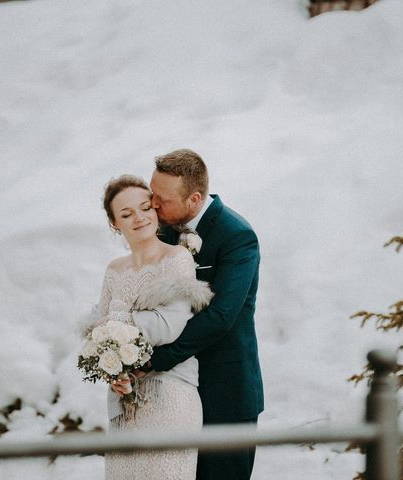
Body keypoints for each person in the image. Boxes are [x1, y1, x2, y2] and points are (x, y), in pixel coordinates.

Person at [145, 149, 265, 480]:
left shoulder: (237, 236)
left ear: (195, 198)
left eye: (162, 199)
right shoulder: (163, 229)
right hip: (172, 395)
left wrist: (158, 358)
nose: (153, 205)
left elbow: (222, 315)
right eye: (151, 193)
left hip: (225, 392)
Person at [91, 174, 213, 480]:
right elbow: (99, 333)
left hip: (169, 392)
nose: (139, 218)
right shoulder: (114, 270)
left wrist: (116, 321)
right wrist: (112, 370)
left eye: (145, 208)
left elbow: (169, 325)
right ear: (114, 223)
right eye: (126, 214)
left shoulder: (177, 258)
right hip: (123, 403)